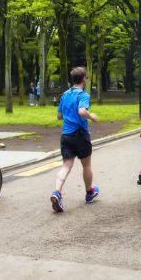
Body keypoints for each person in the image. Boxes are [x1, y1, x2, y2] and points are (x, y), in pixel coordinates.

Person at [50, 66, 100, 213]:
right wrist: (92, 117)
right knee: (86, 165)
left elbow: (59, 116)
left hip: (66, 136)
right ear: (84, 79)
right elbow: (82, 111)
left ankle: (57, 192)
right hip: (80, 135)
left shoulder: (65, 94)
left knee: (66, 166)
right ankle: (89, 193)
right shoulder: (83, 95)